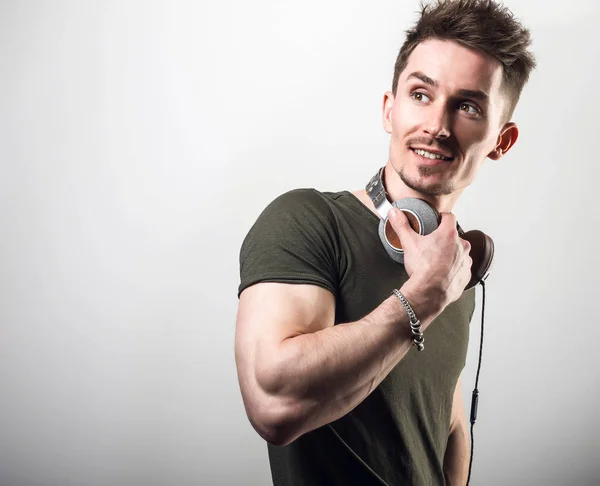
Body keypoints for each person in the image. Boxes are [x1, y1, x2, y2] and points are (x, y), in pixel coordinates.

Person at [235, 0, 536, 484]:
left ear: (501, 141)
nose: (436, 126)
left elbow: (451, 424)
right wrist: (421, 299)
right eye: (421, 94)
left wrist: (441, 288)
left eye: (467, 105)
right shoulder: (307, 220)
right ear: (388, 109)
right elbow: (274, 405)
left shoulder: (457, 269)